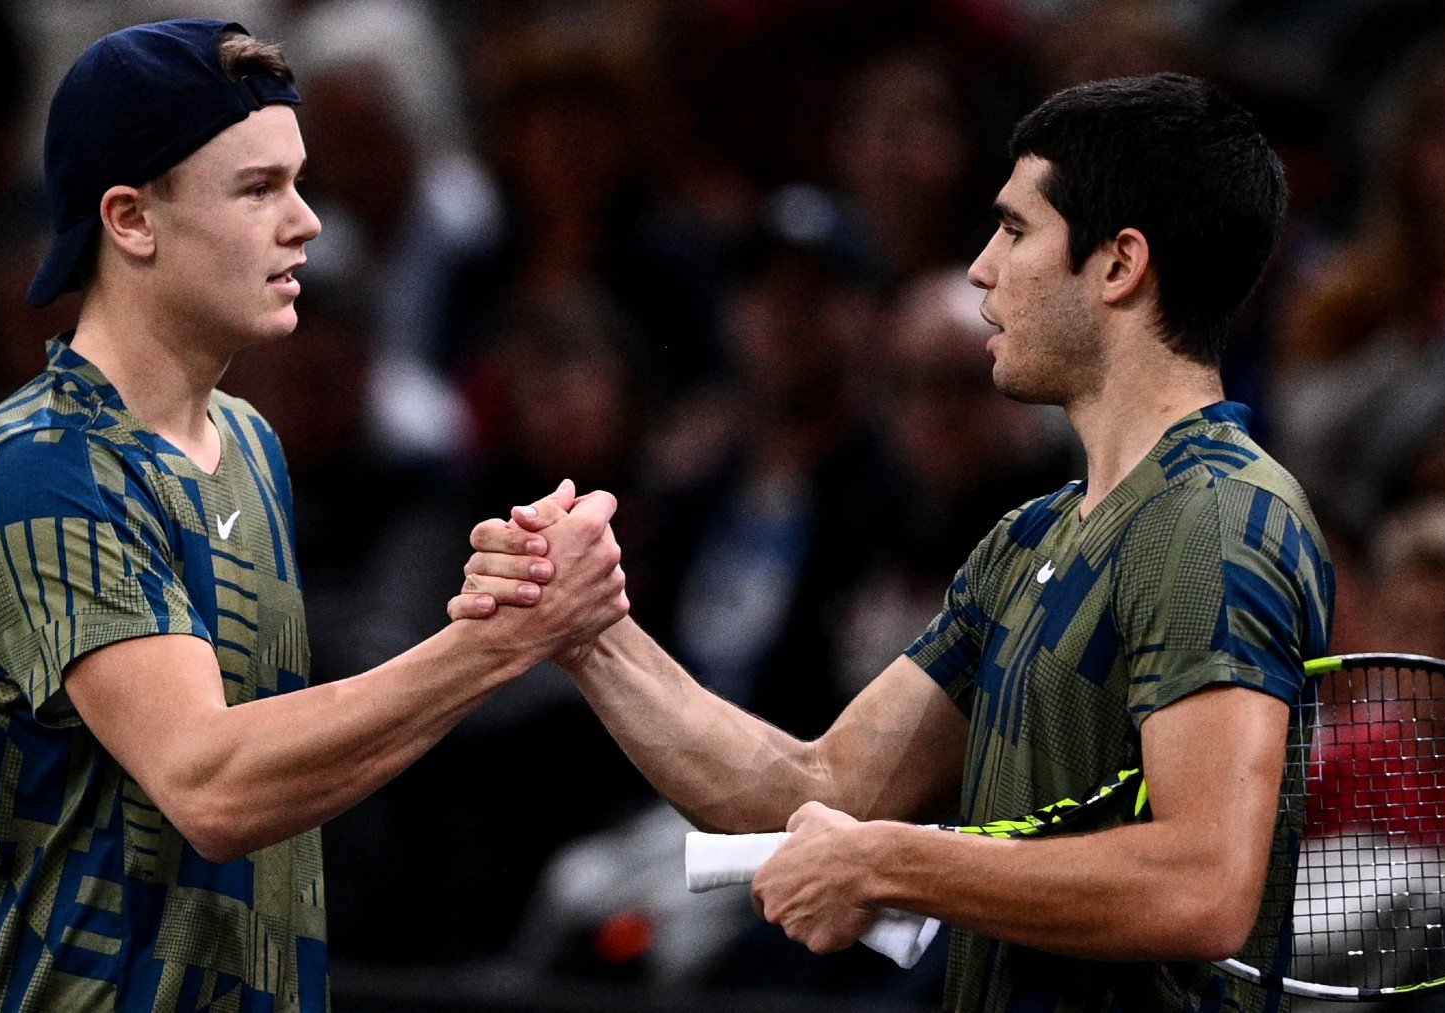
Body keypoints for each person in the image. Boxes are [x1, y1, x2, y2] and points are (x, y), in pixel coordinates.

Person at [456, 73, 1336, 1011]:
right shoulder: (1028, 538)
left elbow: (1200, 887)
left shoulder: (1218, 519)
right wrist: (589, 630)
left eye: (1015, 230)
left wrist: (895, 860)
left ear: (1119, 265)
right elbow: (817, 788)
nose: (980, 268)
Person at [0, 20, 627, 1011]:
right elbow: (212, 786)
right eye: (257, 189)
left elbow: (289, 775)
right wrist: (494, 645)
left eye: (298, 181)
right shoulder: (39, 470)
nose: (308, 221)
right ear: (131, 220)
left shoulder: (248, 443)